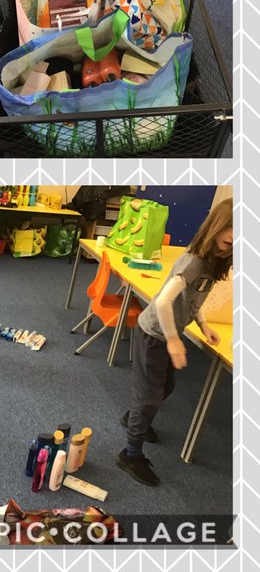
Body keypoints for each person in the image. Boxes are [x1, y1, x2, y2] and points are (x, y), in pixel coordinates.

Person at [117, 197, 233, 486]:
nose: (233, 245)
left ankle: (133, 419)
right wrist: (173, 341)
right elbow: (165, 301)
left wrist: (204, 327)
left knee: (164, 387)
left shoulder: (214, 261)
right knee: (150, 395)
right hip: (154, 333)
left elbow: (194, 299)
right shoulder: (194, 261)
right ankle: (130, 454)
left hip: (168, 334)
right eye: (230, 237)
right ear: (217, 227)